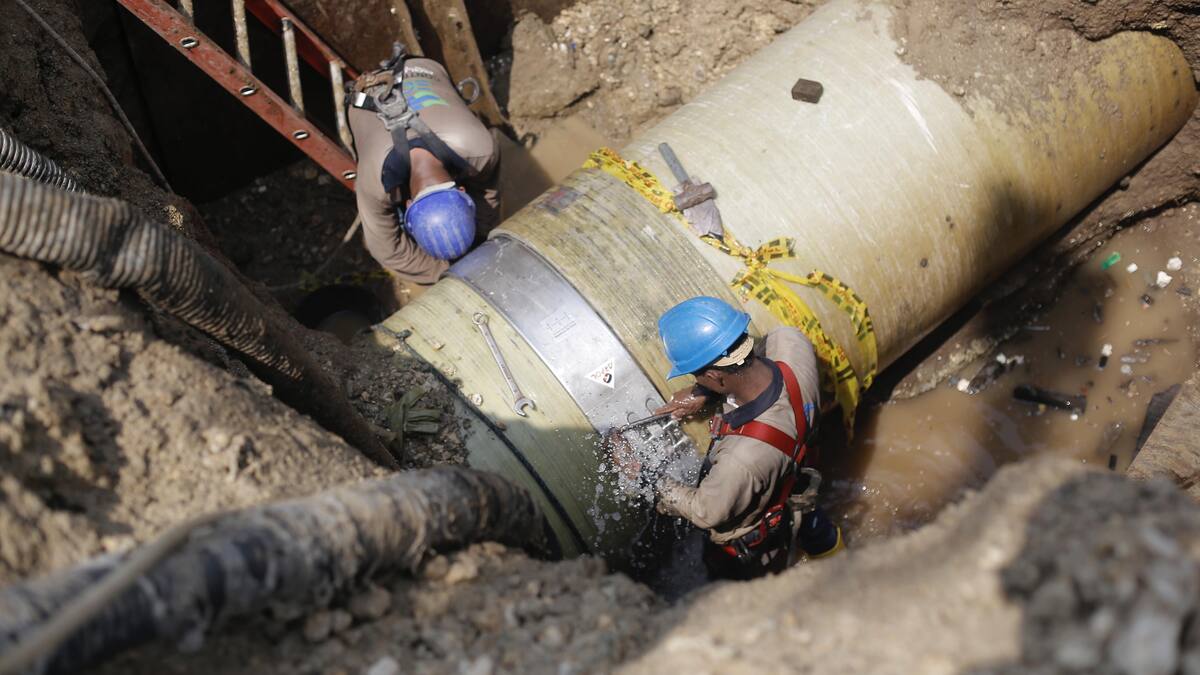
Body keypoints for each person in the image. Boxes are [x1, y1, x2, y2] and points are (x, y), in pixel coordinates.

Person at [639, 296, 843, 580]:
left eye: (699, 377)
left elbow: (705, 510)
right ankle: (835, 560)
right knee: (820, 540)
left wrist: (641, 472)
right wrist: (704, 392)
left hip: (757, 546)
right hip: (798, 487)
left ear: (716, 376)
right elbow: (761, 350)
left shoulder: (740, 459)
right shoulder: (791, 344)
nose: (696, 381)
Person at [347, 47, 501, 287]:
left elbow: (489, 201)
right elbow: (388, 252)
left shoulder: (481, 147)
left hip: (425, 70)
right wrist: (446, 273)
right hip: (380, 90)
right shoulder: (374, 184)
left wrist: (479, 239)